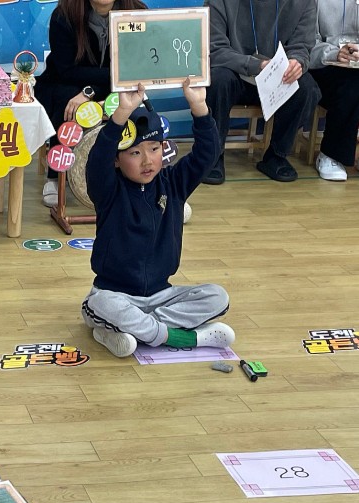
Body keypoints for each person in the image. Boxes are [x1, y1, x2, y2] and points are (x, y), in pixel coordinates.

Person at [81, 79, 235, 358]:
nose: (147, 161)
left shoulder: (173, 183)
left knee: (217, 296)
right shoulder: (108, 190)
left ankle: (130, 331)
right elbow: (97, 161)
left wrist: (199, 106)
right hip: (114, 294)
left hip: (162, 297)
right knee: (101, 305)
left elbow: (207, 154)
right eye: (135, 153)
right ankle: (177, 336)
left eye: (154, 149)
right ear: (116, 159)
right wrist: (120, 116)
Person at [35, 0, 147, 206]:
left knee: (138, 105)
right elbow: (66, 70)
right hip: (65, 83)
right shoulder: (64, 15)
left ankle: (149, 179)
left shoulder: (137, 13)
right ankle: (55, 176)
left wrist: (92, 91)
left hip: (116, 86)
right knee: (68, 104)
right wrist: (92, 90)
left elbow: (134, 68)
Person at [203, 0, 321, 184]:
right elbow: (215, 49)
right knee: (217, 80)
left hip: (277, 77)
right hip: (235, 72)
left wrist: (296, 62)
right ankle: (213, 156)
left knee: (307, 88)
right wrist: (257, 65)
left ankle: (277, 155)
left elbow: (301, 47)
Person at [308, 0, 359, 180]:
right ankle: (330, 155)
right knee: (352, 84)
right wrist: (335, 53)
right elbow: (306, 43)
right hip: (323, 66)